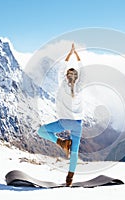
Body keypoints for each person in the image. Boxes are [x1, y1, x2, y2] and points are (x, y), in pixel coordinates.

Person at [37, 43, 84, 187]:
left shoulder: (62, 84)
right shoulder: (81, 85)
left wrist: (70, 54)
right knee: (74, 152)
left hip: (64, 122)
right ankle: (69, 179)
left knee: (42, 131)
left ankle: (61, 142)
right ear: (77, 77)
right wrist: (77, 55)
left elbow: (61, 69)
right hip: (78, 124)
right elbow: (83, 70)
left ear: (66, 76)